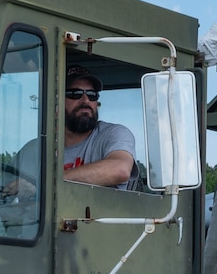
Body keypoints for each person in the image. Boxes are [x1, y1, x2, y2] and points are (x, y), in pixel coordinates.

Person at [8, 65, 137, 194]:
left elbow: (120, 170)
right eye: (75, 94)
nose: (86, 100)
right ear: (56, 101)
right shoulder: (32, 151)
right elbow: (2, 193)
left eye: (92, 95)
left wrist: (43, 183)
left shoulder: (113, 134)